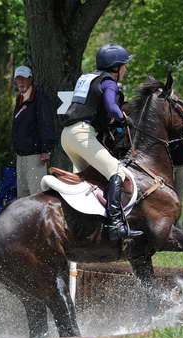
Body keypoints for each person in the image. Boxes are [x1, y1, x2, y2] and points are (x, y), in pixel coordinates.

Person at [61, 43, 142, 241]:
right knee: (117, 172)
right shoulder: (109, 82)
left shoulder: (87, 78)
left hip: (67, 136)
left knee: (90, 179)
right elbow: (112, 107)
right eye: (124, 65)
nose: (126, 69)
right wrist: (124, 119)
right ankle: (115, 225)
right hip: (82, 135)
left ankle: (85, 225)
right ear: (116, 67)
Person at [12, 65, 56, 198]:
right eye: (18, 79)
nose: (21, 82)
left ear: (31, 79)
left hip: (36, 156)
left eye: (24, 79)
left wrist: (45, 149)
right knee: (22, 197)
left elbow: (46, 124)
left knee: (36, 196)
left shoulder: (40, 98)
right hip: (21, 156)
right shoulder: (19, 99)